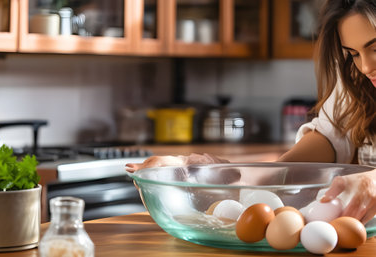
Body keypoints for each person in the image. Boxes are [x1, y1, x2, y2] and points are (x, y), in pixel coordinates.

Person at [126, 0, 376, 224]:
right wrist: (243, 178)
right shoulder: (358, 82)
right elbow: (333, 136)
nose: (365, 66)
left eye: (375, 48)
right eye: (353, 54)